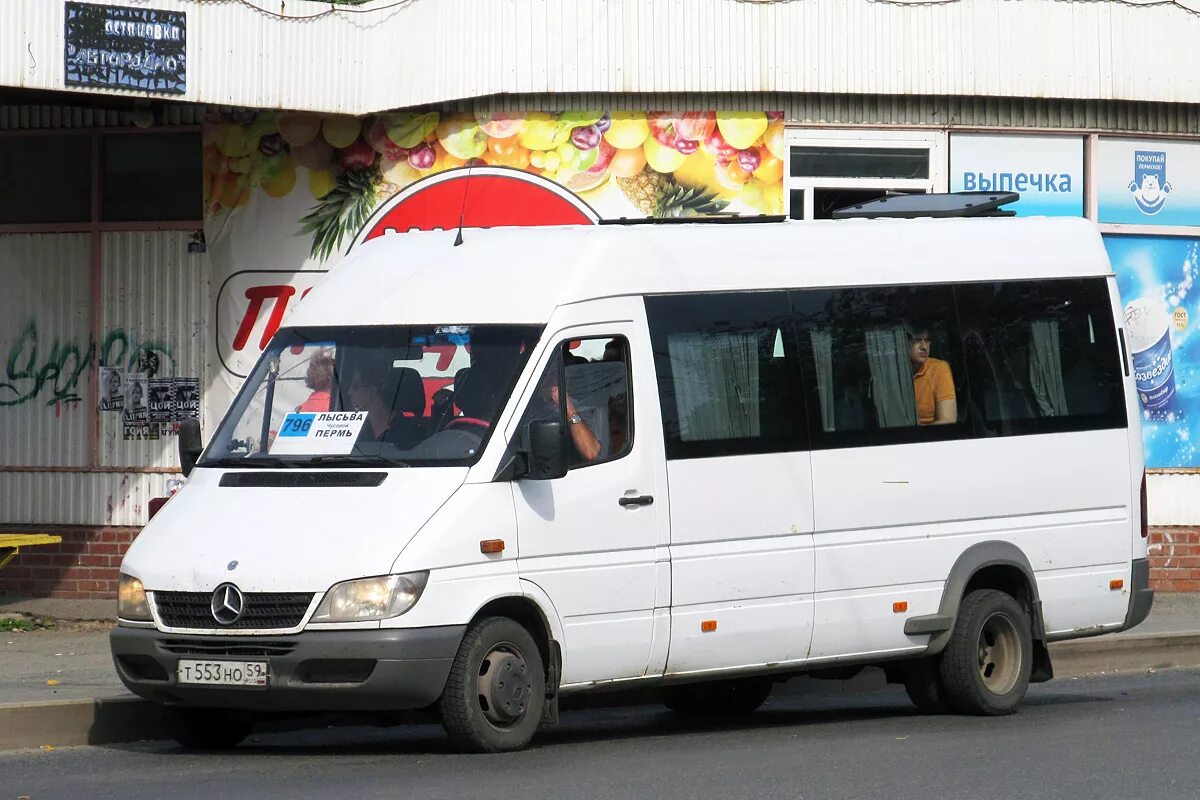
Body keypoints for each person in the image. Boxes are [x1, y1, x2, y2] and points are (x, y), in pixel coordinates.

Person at [907, 323, 957, 425]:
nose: (924, 347)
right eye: (917, 340)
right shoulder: (891, 374)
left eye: (927, 340)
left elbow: (948, 420)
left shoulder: (939, 368)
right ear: (904, 342)